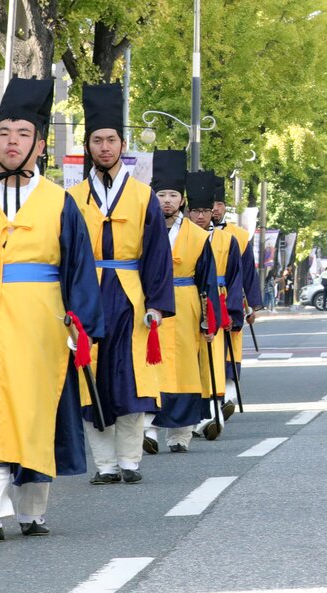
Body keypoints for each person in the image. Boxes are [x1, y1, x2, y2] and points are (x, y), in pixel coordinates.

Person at [0, 77, 103, 543]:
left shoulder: (59, 203)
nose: (11, 142)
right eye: (4, 132)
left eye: (22, 134)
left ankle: (31, 509)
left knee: (34, 411)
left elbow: (78, 269)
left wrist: (83, 327)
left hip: (41, 326)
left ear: (40, 144)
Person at [68, 83, 175, 485]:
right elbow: (66, 256)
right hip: (88, 294)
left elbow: (156, 254)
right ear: (89, 146)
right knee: (90, 380)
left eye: (111, 139)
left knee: (130, 380)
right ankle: (105, 465)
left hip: (130, 295)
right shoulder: (74, 198)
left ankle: (129, 461)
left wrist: (156, 303)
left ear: (122, 143)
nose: (105, 147)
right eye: (97, 140)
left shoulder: (143, 196)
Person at [144, 150, 217, 455]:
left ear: (182, 200)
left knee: (186, 366)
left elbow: (208, 280)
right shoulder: (142, 229)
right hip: (152, 306)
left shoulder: (197, 237)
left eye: (174, 195)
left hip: (186, 304)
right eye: (162, 194)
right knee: (150, 365)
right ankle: (147, 428)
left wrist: (209, 319)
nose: (168, 201)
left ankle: (180, 434)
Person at [187, 171, 242, 440]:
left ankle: (214, 413)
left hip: (215, 302)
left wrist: (232, 311)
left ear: (213, 213)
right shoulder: (176, 237)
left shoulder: (227, 240)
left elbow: (236, 277)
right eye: (195, 210)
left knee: (212, 365)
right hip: (183, 301)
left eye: (205, 211)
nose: (200, 216)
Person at [211, 177, 260, 411]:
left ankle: (227, 396)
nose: (214, 209)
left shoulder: (239, 236)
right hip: (202, 298)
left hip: (230, 298)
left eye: (219, 204)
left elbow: (248, 273)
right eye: (211, 204)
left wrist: (250, 306)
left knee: (230, 351)